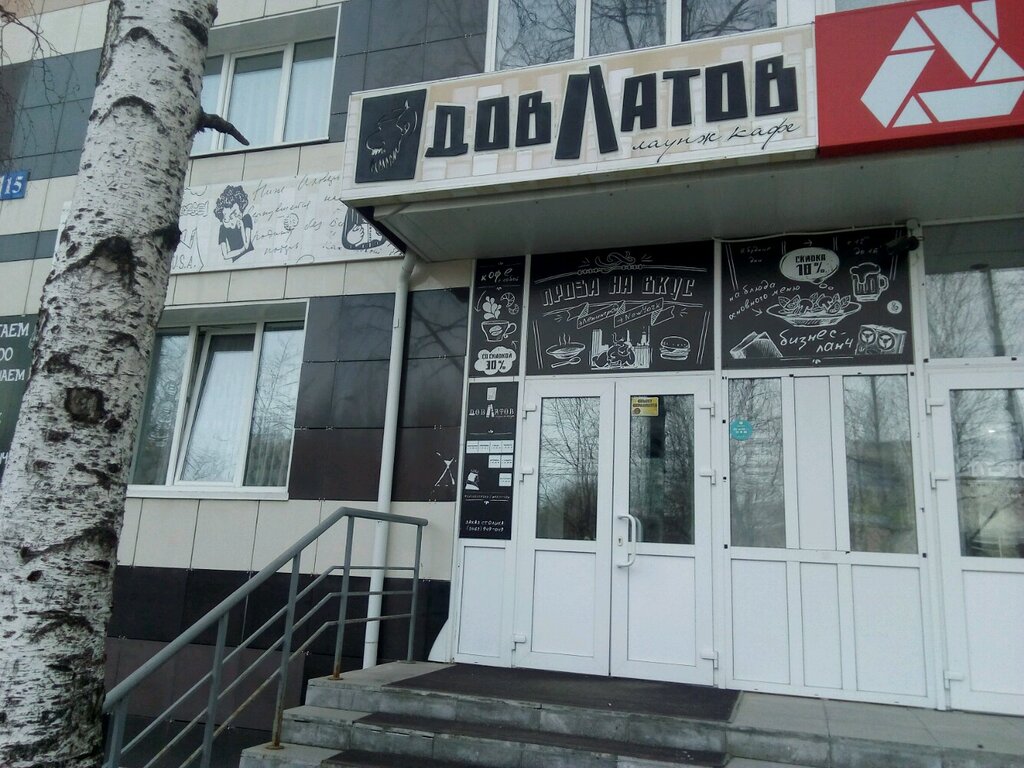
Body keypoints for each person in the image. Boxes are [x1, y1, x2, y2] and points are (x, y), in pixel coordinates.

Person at [214, 185, 254, 261]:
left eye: (235, 213)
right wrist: (241, 250)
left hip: (251, 257)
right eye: (226, 218)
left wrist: (242, 226)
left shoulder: (246, 219)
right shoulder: (223, 228)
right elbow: (225, 255)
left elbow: (246, 245)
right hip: (236, 262)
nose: (231, 220)